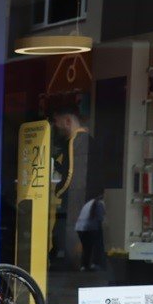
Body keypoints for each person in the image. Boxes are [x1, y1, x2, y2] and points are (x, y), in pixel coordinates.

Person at [51, 103, 104, 271]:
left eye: (57, 121)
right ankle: (89, 265)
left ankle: (72, 266)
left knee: (65, 235)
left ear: (67, 121)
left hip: (77, 201)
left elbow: (72, 175)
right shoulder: (90, 140)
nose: (55, 126)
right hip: (93, 200)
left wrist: (58, 192)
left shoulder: (76, 141)